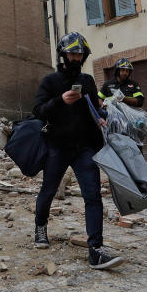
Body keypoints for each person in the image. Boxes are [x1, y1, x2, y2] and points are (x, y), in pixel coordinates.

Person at [32, 32, 124, 270]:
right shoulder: (50, 82)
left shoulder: (89, 81)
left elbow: (95, 107)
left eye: (79, 53)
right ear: (63, 55)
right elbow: (38, 111)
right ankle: (40, 226)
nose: (76, 57)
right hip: (58, 147)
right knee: (49, 190)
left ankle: (96, 250)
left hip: (85, 148)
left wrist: (103, 117)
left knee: (92, 196)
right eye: (72, 53)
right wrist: (61, 100)